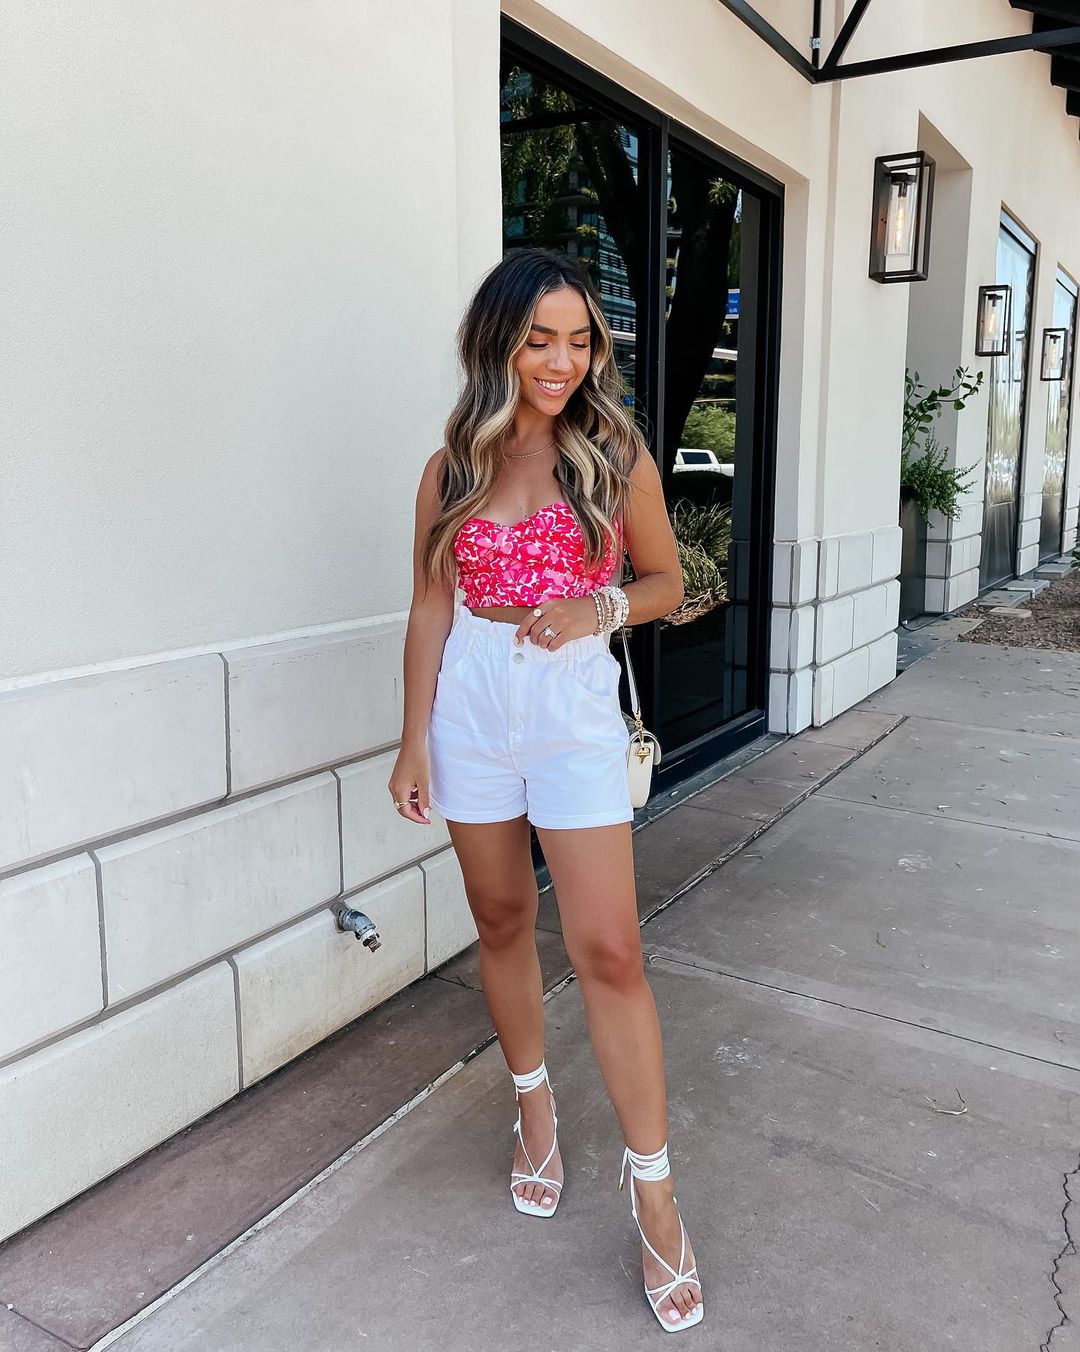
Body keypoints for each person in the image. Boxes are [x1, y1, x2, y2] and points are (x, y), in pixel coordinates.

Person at [387, 246, 703, 1332]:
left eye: (579, 340)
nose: (562, 361)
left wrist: (594, 609)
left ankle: (653, 1191)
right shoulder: (451, 467)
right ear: (500, 343)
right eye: (539, 340)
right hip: (471, 704)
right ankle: (534, 1109)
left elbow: (668, 580)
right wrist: (412, 740)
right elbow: (430, 607)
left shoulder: (613, 452)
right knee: (501, 916)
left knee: (610, 949)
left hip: (570, 708)